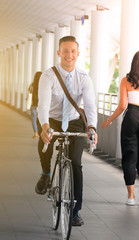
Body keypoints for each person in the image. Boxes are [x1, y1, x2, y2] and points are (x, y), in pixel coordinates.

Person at [35, 36, 98, 226]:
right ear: (58, 53)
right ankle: (46, 173)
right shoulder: (48, 76)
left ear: (78, 54)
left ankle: (76, 210)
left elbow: (89, 105)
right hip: (52, 120)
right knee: (43, 143)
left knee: (76, 164)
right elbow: (43, 106)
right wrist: (45, 127)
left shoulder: (84, 78)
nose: (69, 55)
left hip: (74, 121)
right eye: (65, 51)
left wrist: (92, 127)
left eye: (72, 51)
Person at [101, 50, 139, 206]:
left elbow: (122, 106)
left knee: (129, 156)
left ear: (134, 63)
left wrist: (109, 120)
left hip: (132, 115)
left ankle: (130, 197)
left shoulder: (126, 80)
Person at [28, 71, 42, 138]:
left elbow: (29, 92)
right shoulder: (43, 85)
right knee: (41, 119)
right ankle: (40, 132)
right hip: (40, 105)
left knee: (34, 119)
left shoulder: (32, 85)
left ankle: (36, 133)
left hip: (33, 105)